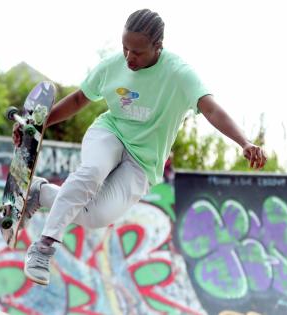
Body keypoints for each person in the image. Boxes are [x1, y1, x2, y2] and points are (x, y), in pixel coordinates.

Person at [20, 9, 267, 286]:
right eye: (125, 48)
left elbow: (211, 110)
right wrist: (38, 127)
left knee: (97, 216)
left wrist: (244, 142)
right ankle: (43, 248)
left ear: (158, 47)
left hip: (144, 161)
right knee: (91, 172)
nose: (129, 58)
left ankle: (40, 194)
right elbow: (79, 99)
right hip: (110, 133)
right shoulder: (112, 65)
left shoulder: (179, 74)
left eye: (137, 52)